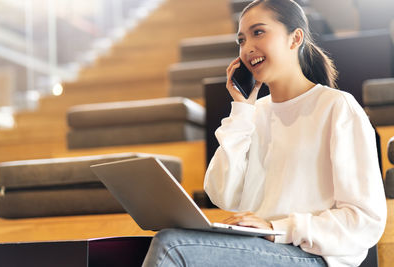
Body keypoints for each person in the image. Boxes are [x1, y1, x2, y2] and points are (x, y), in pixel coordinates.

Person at [142, 0, 387, 266]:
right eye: (241, 40)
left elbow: (365, 219)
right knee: (164, 238)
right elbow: (223, 194)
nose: (247, 48)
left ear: (295, 38)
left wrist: (277, 228)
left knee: (172, 246)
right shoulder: (252, 113)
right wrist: (241, 110)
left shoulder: (337, 107)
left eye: (258, 32)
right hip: (260, 248)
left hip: (311, 255)